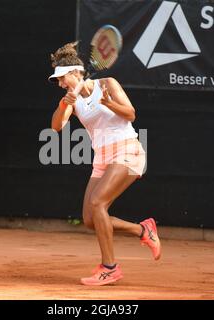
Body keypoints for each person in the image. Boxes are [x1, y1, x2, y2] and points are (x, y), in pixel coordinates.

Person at [48, 42, 161, 286]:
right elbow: (56, 127)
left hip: (128, 150)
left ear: (75, 73)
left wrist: (108, 103)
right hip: (102, 158)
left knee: (98, 202)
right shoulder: (71, 100)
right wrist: (64, 103)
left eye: (61, 78)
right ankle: (142, 231)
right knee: (90, 218)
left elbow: (130, 114)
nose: (59, 83)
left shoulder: (107, 84)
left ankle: (109, 268)